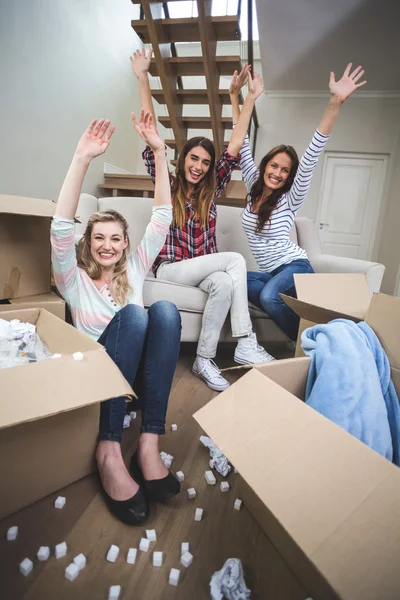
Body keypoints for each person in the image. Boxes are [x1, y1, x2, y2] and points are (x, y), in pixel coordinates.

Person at [51, 110, 181, 526]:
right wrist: (81, 158)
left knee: (163, 310)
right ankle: (108, 449)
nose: (107, 246)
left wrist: (160, 150)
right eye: (98, 238)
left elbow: (162, 216)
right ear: (88, 243)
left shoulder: (136, 269)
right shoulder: (73, 280)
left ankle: (147, 442)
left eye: (115, 239)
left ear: (126, 245)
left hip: (136, 380)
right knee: (136, 317)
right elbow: (59, 227)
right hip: (98, 381)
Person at [130, 48, 274, 393]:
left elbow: (235, 143)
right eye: (193, 159)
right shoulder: (169, 183)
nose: (199, 166)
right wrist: (142, 76)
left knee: (224, 282)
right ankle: (244, 339)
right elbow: (152, 136)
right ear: (183, 161)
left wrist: (249, 97)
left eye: (205, 162)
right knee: (235, 260)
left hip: (202, 271)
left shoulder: (212, 190)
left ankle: (204, 359)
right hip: (170, 268)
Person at [230, 63, 367, 342]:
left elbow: (314, 151)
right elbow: (241, 142)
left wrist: (335, 102)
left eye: (285, 170)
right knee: (233, 280)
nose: (278, 173)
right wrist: (237, 97)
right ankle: (307, 321)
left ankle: (310, 343)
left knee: (269, 297)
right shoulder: (252, 185)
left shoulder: (290, 198)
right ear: (265, 164)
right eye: (274, 166)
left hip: (296, 266)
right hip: (272, 272)